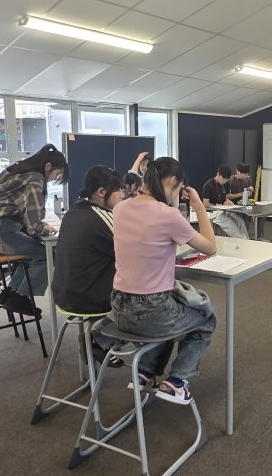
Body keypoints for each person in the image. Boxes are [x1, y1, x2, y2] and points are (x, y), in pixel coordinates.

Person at [111, 157, 217, 405]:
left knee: (173, 310)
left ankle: (145, 373)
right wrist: (198, 206)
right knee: (205, 319)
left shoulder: (120, 208)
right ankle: (177, 382)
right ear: (171, 182)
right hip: (151, 312)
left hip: (118, 308)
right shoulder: (168, 215)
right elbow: (210, 247)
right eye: (177, 189)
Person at [0, 144, 69, 317]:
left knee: (28, 254)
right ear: (48, 166)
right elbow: (33, 223)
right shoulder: (35, 179)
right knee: (47, 254)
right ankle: (21, 297)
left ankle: (10, 294)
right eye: (57, 174)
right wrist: (45, 230)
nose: (55, 179)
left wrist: (37, 227)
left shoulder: (16, 169)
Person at [51, 166, 127, 365]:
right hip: (88, 298)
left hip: (63, 294)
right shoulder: (104, 217)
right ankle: (100, 339)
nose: (122, 195)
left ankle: (100, 340)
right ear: (101, 192)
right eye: (118, 190)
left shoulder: (73, 212)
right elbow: (134, 252)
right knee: (148, 300)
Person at [202, 165, 249, 239]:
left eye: (226, 179)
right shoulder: (208, 185)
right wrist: (217, 206)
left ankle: (247, 239)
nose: (224, 181)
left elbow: (225, 197)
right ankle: (242, 239)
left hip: (224, 210)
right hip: (213, 212)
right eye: (223, 179)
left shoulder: (226, 184)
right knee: (230, 225)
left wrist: (228, 201)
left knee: (240, 220)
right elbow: (205, 204)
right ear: (218, 174)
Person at [227, 162, 265, 239]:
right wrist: (241, 194)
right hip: (234, 206)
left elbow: (250, 195)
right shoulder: (230, 181)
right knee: (245, 215)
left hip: (246, 204)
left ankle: (259, 236)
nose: (243, 175)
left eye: (245, 174)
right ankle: (244, 237)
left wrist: (250, 191)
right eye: (241, 173)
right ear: (237, 171)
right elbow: (227, 196)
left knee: (262, 214)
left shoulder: (247, 180)